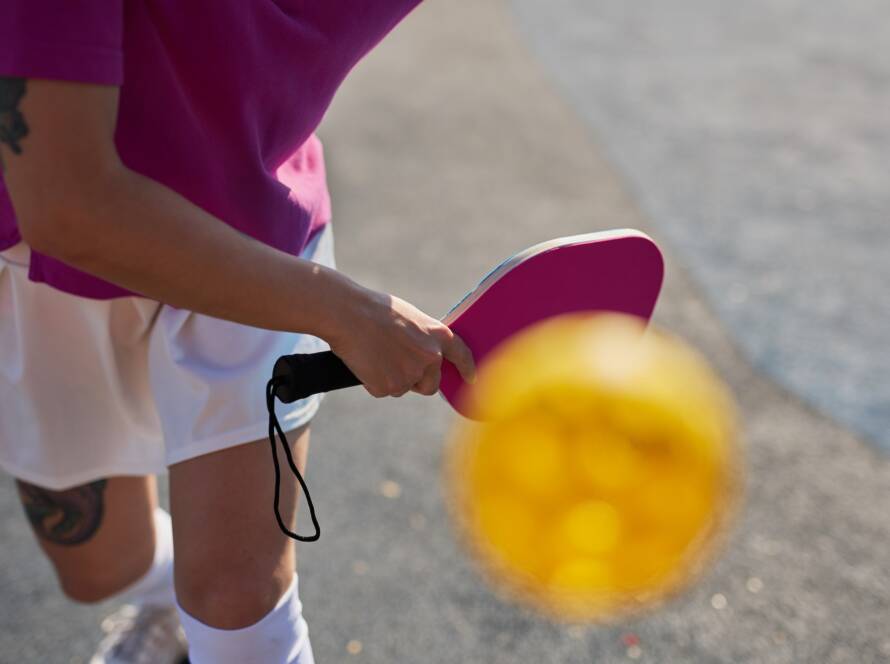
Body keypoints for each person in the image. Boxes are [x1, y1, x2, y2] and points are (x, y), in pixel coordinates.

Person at [0, 2, 475, 663]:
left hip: (257, 229)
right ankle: (166, 604)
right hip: (50, 251)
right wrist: (345, 312)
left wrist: (328, 307)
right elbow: (67, 206)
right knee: (99, 568)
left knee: (236, 598)